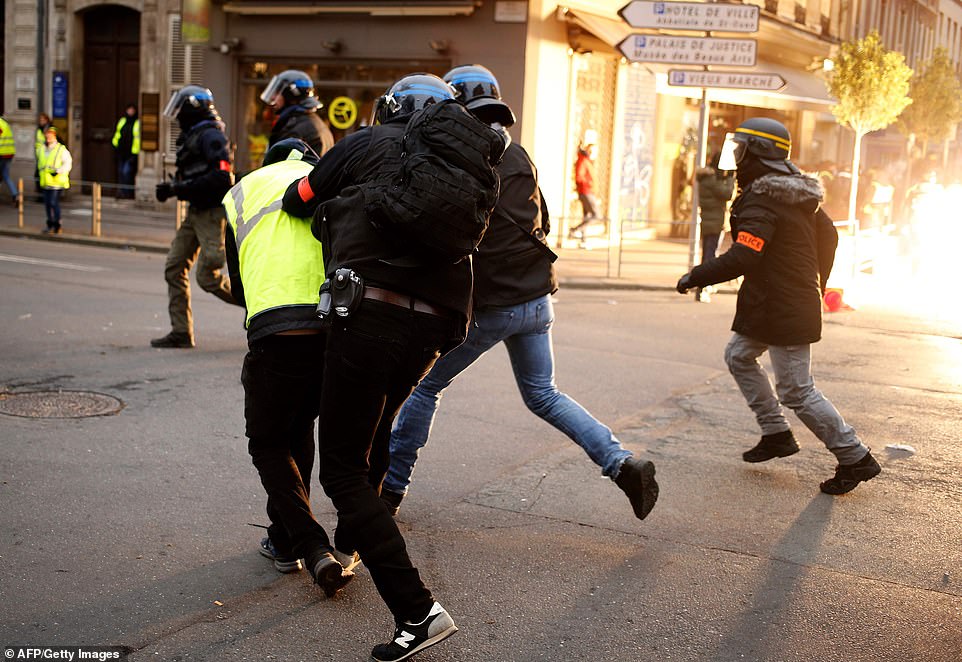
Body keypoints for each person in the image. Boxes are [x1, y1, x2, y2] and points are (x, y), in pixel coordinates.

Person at [381, 64, 659, 526]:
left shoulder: (463, 155)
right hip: (536, 299)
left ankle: (389, 491)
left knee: (425, 385)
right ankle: (621, 464)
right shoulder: (518, 153)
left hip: (491, 305)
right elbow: (540, 221)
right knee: (544, 394)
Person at [282, 73, 472, 662]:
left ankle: (417, 611)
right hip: (436, 325)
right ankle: (359, 534)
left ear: (390, 108)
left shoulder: (366, 143)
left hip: (370, 315)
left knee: (341, 470)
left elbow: (298, 199)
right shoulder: (459, 165)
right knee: (379, 427)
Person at [675, 117, 881, 495]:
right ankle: (776, 433)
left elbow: (744, 257)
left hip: (783, 304)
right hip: (776, 301)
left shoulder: (766, 197)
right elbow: (829, 238)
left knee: (797, 391)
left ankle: (855, 456)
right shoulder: (795, 195)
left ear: (760, 154)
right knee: (739, 355)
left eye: (742, 151)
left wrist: (696, 276)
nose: (736, 160)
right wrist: (812, 280)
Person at [223, 138, 357, 596]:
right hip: (330, 327)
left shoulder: (244, 190)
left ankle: (310, 544)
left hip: (275, 331)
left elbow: (239, 283)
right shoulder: (331, 184)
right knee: (299, 429)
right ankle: (284, 542)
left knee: (267, 442)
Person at [151, 85, 236, 349]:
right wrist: (174, 188)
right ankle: (181, 332)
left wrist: (179, 189)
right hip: (195, 211)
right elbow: (195, 173)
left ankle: (260, 306)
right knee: (174, 268)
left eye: (181, 110)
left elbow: (222, 178)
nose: (177, 116)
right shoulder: (195, 135)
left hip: (211, 213)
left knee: (208, 275)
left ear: (193, 109)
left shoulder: (211, 136)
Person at [260, 70, 335, 157]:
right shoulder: (315, 123)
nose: (273, 97)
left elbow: (280, 167)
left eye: (278, 92)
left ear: (289, 94)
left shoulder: (295, 131)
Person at [693, 152, 735, 303]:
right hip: (714, 222)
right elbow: (727, 193)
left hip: (710, 221)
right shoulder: (711, 180)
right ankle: (702, 287)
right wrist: (730, 178)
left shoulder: (707, 179)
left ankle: (705, 285)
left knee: (708, 254)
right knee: (710, 257)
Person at [37, 126, 71, 234]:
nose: (48, 137)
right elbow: (41, 164)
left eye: (50, 135)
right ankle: (50, 224)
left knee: (53, 202)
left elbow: (68, 163)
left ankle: (57, 223)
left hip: (57, 182)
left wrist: (59, 171)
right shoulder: (42, 149)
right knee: (47, 204)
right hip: (46, 181)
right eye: (47, 134)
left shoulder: (61, 149)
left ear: (55, 136)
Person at [567, 133, 600, 241]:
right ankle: (575, 230)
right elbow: (579, 177)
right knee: (596, 215)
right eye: (591, 150)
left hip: (588, 191)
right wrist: (589, 184)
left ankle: (583, 239)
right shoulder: (583, 160)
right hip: (586, 191)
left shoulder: (588, 161)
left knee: (586, 216)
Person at [112, 103, 140, 199]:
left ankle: (128, 193)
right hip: (122, 152)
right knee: (121, 172)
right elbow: (117, 134)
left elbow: (138, 138)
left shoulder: (137, 122)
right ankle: (122, 192)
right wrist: (115, 146)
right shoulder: (123, 121)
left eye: (132, 110)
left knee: (126, 172)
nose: (130, 112)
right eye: (129, 110)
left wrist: (136, 153)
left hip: (131, 154)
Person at [34, 112, 53, 200]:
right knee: (38, 175)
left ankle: (43, 196)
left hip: (47, 156)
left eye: (43, 120)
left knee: (42, 175)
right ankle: (40, 195)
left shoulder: (49, 129)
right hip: (40, 155)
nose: (41, 121)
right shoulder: (39, 129)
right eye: (40, 120)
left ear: (47, 120)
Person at [0, 114, 18, 206]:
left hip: (1, 153)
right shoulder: (5, 123)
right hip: (9, 153)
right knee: (6, 175)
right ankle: (15, 195)